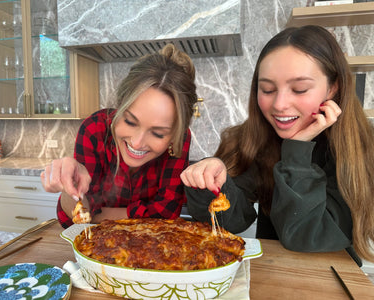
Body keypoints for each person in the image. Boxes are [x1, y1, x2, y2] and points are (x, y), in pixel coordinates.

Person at [180, 25, 374, 263]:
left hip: (334, 280)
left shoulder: (362, 147)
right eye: (268, 89)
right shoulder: (253, 138)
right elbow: (231, 221)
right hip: (270, 276)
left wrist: (297, 150)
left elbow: (306, 236)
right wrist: (209, 179)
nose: (280, 104)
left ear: (332, 88)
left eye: (300, 89)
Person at [41, 44, 198, 228]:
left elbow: (166, 214)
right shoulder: (95, 129)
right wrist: (71, 187)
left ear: (174, 135)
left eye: (157, 133)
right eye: (130, 122)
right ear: (120, 107)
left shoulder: (181, 138)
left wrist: (100, 214)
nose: (137, 143)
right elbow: (76, 219)